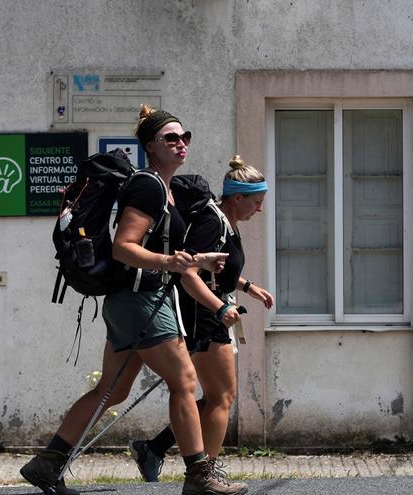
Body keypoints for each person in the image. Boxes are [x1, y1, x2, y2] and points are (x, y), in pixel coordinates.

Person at [20, 106, 248, 495]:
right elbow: (125, 247)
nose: (181, 144)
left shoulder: (166, 189)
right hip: (140, 300)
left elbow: (168, 258)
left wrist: (198, 264)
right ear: (149, 146)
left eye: (184, 137)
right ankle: (199, 476)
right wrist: (169, 261)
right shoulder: (148, 186)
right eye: (170, 138)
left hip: (130, 301)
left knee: (112, 389)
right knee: (185, 381)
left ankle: (47, 462)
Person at [129, 155, 274, 483]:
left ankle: (155, 449)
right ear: (238, 197)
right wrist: (220, 308)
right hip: (205, 316)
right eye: (257, 202)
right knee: (223, 396)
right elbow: (189, 273)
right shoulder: (212, 220)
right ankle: (204, 474)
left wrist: (250, 288)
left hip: (211, 313)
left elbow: (218, 268)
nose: (260, 209)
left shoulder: (226, 222)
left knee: (213, 396)